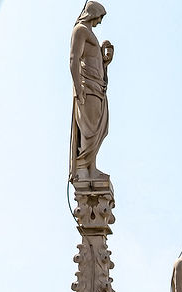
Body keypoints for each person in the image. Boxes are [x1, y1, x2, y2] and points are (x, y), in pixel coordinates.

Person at [69, 2, 114, 183]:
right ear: (92, 14)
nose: (100, 21)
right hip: (87, 87)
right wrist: (78, 89)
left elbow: (92, 60)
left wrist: (104, 62)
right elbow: (74, 59)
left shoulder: (90, 33)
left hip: (97, 87)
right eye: (99, 17)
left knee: (97, 130)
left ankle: (91, 167)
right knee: (89, 130)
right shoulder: (80, 30)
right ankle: (82, 168)